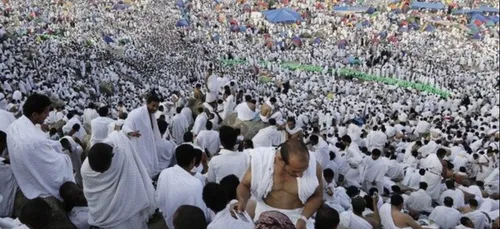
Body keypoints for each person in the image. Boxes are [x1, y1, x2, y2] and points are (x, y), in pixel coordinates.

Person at [236, 139, 323, 229]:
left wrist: (303, 218)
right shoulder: (262, 162)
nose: (300, 175)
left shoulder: (315, 167)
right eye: (295, 171)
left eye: (304, 169)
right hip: (265, 217)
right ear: (280, 159)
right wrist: (242, 200)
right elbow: (244, 185)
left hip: (298, 218)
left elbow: (317, 196)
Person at [81, 131, 156, 228]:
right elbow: (91, 194)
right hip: (102, 213)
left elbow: (131, 183)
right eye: (98, 171)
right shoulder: (85, 170)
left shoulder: (123, 156)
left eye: (104, 170)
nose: (101, 174)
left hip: (127, 212)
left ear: (112, 157)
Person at [7, 93, 74, 200]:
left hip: (22, 172)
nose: (48, 115)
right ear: (34, 115)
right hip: (32, 184)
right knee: (66, 159)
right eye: (46, 112)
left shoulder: (14, 126)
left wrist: (55, 145)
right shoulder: (34, 141)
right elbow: (54, 170)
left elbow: (42, 142)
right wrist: (65, 154)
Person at [156, 144, 208, 229]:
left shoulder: (164, 173)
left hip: (169, 220)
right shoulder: (196, 183)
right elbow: (201, 211)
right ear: (193, 161)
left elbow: (160, 199)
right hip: (187, 224)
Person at [123, 94, 162, 178]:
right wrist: (131, 132)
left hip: (149, 143)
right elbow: (125, 126)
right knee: (141, 168)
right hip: (139, 144)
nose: (155, 108)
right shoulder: (136, 114)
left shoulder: (151, 115)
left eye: (157, 106)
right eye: (153, 106)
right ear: (147, 104)